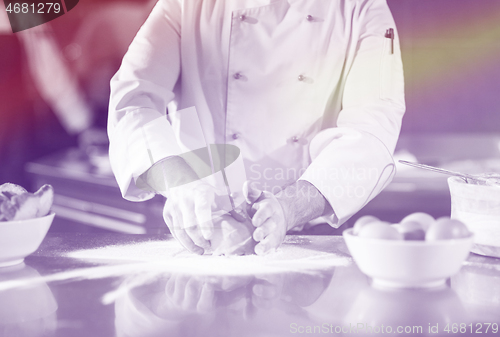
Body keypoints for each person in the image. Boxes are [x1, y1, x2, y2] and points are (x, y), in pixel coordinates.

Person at [108, 0, 405, 255]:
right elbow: (134, 100)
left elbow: (372, 127)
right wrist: (179, 183)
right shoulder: (188, 5)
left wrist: (289, 208)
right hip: (199, 230)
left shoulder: (362, 8)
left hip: (309, 240)